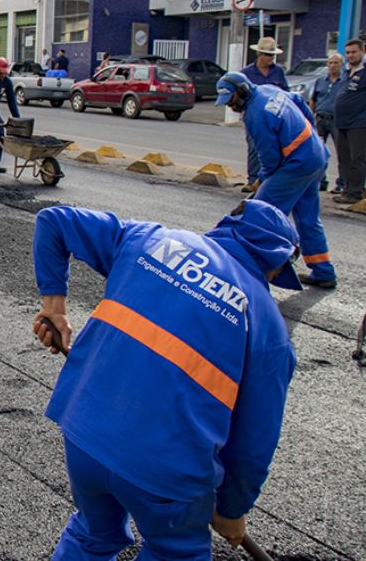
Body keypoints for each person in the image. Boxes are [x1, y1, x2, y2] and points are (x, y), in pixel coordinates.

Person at [32, 199, 300, 560]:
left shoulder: (149, 238)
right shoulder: (269, 329)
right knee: (176, 551)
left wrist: (54, 308)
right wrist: (232, 511)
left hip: (85, 434)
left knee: (92, 535)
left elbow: (54, 220)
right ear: (276, 265)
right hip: (167, 470)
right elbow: (254, 441)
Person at [216, 71, 336, 288]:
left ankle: (246, 273)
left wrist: (261, 183)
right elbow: (300, 103)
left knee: (259, 215)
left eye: (231, 100)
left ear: (242, 91)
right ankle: (323, 270)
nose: (230, 106)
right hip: (315, 156)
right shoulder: (269, 90)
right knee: (308, 218)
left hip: (296, 165)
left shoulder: (255, 114)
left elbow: (270, 160)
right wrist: (313, 133)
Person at [240, 37, 289, 193]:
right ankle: (253, 180)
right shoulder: (247, 73)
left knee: (274, 148)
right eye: (268, 55)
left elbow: (285, 92)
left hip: (274, 117)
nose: (271, 59)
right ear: (259, 54)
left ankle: (269, 180)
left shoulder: (278, 71)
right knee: (255, 148)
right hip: (254, 117)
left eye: (273, 55)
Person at [333, 38, 366, 205]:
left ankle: (355, 192)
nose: (350, 56)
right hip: (342, 122)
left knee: (357, 159)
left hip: (359, 123)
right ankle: (346, 189)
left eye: (354, 52)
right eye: (348, 53)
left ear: (363, 51)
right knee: (344, 159)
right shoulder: (346, 71)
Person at [309, 53, 344, 193]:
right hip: (320, 119)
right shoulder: (320, 81)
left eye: (336, 63)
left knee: (342, 153)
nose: (333, 66)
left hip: (337, 120)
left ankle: (341, 184)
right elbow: (313, 99)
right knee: (318, 152)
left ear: (341, 64)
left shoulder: (345, 80)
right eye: (330, 63)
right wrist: (310, 118)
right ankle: (320, 181)